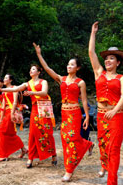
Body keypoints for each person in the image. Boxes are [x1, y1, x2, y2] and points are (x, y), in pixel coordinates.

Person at [33, 43, 93, 182]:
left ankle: (69, 170)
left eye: (72, 65)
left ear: (77, 68)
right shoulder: (61, 79)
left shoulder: (80, 82)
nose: (69, 66)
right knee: (66, 140)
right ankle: (87, 144)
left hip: (75, 113)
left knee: (71, 138)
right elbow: (47, 69)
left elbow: (84, 100)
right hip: (64, 113)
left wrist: (87, 117)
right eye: (68, 64)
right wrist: (39, 54)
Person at [88, 22, 123, 185]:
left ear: (118, 62)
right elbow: (91, 52)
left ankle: (112, 181)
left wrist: (114, 110)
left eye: (111, 58)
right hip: (101, 115)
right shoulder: (99, 73)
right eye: (106, 58)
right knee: (103, 144)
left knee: (114, 149)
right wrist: (93, 33)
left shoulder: (122, 78)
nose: (107, 60)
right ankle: (105, 165)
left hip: (116, 116)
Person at [0, 65, 57, 168]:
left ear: (38, 72)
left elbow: (44, 92)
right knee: (32, 133)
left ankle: (53, 154)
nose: (30, 71)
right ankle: (30, 158)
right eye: (30, 69)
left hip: (44, 109)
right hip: (35, 110)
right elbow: (16, 89)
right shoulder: (27, 83)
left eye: (33, 69)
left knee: (46, 132)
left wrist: (32, 92)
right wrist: (2, 90)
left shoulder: (43, 82)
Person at [0, 74, 27, 161]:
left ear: (10, 80)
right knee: (10, 133)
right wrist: (1, 118)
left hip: (11, 112)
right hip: (5, 113)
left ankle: (3, 155)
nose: (4, 80)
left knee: (2, 132)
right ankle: (23, 149)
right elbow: (3, 105)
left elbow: (15, 102)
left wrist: (12, 114)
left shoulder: (15, 88)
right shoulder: (5, 91)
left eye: (6, 78)